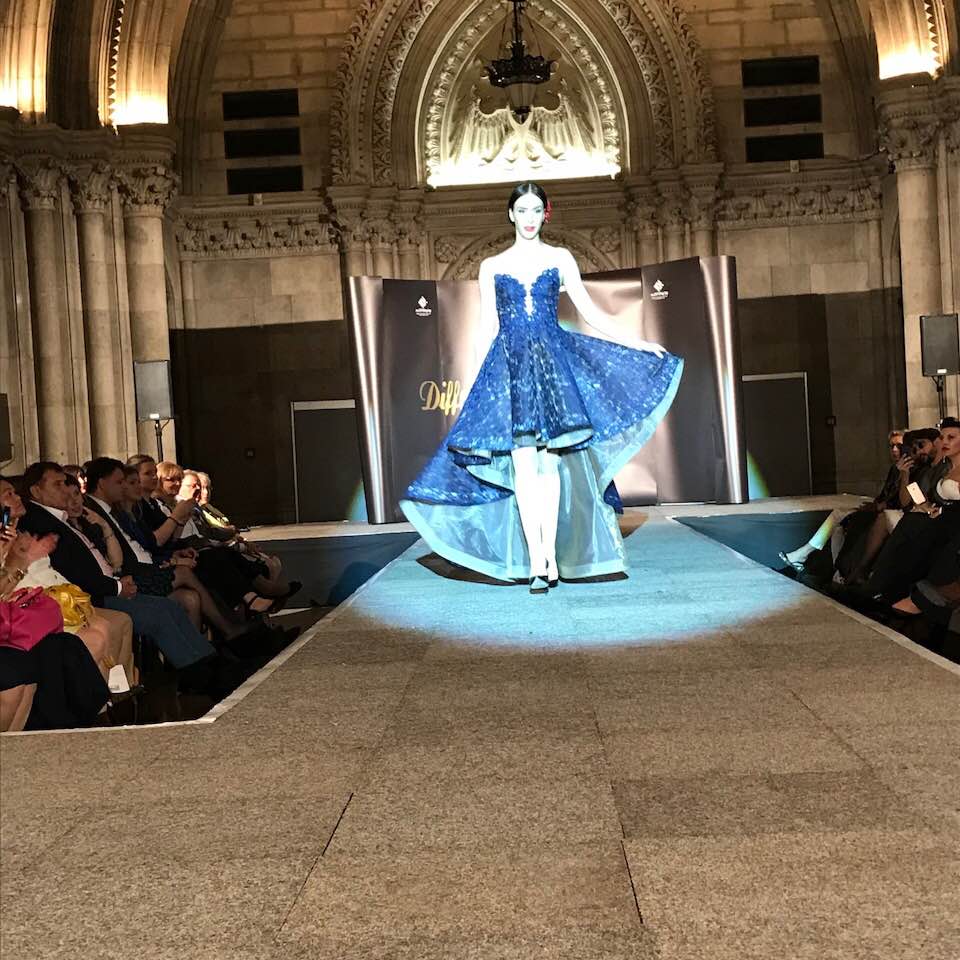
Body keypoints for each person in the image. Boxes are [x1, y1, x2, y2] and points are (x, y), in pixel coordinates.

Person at [400, 182, 683, 593]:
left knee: (549, 465)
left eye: (536, 210)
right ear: (510, 214)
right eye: (522, 210)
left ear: (545, 213)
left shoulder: (560, 257)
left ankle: (548, 557)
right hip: (510, 369)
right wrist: (481, 387)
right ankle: (537, 560)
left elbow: (590, 312)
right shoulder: (492, 265)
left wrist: (637, 342)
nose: (529, 218)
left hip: (551, 368)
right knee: (523, 466)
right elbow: (486, 328)